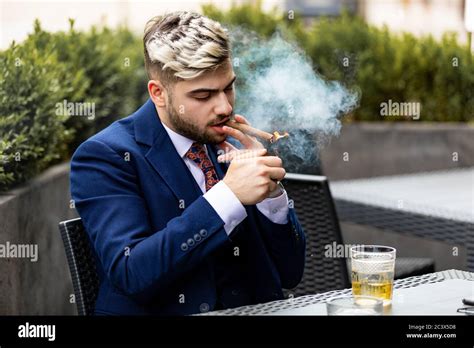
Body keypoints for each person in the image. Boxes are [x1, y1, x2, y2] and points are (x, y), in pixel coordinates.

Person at [70, 11, 306, 315]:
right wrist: (228, 196)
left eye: (228, 87)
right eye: (203, 95)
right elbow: (131, 273)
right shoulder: (106, 156)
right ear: (159, 93)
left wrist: (271, 197)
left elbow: (290, 274)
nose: (225, 107)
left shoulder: (230, 144)